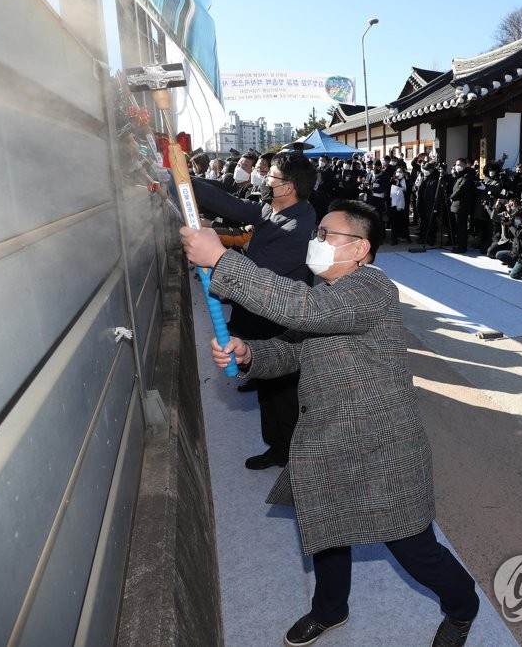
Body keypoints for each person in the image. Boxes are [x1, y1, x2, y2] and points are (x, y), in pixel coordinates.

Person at [180, 200, 481, 647]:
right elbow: (292, 350)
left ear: (360, 249)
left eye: (326, 235)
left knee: (414, 547)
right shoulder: (326, 295)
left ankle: (462, 609)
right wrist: (250, 355)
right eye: (316, 233)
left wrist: (222, 259)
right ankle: (330, 609)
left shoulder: (371, 288)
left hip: (383, 448)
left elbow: (301, 310)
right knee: (326, 532)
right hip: (325, 441)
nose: (315, 243)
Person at [190, 153, 317, 469]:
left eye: (270, 175)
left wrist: (217, 255)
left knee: (282, 396)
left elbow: (257, 276)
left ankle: (292, 457)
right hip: (256, 318)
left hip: (277, 324)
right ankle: (277, 448)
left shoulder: (298, 228)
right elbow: (229, 203)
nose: (265, 180)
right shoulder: (277, 210)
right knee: (267, 393)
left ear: (287, 186)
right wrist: (181, 181)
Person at [448, 158, 477, 253]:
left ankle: (462, 247)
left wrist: (452, 197)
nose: (457, 166)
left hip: (461, 205)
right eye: (456, 164)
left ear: (465, 165)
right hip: (456, 204)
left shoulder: (467, 175)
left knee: (461, 227)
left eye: (459, 165)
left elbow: (461, 188)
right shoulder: (459, 175)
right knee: (458, 226)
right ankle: (458, 244)